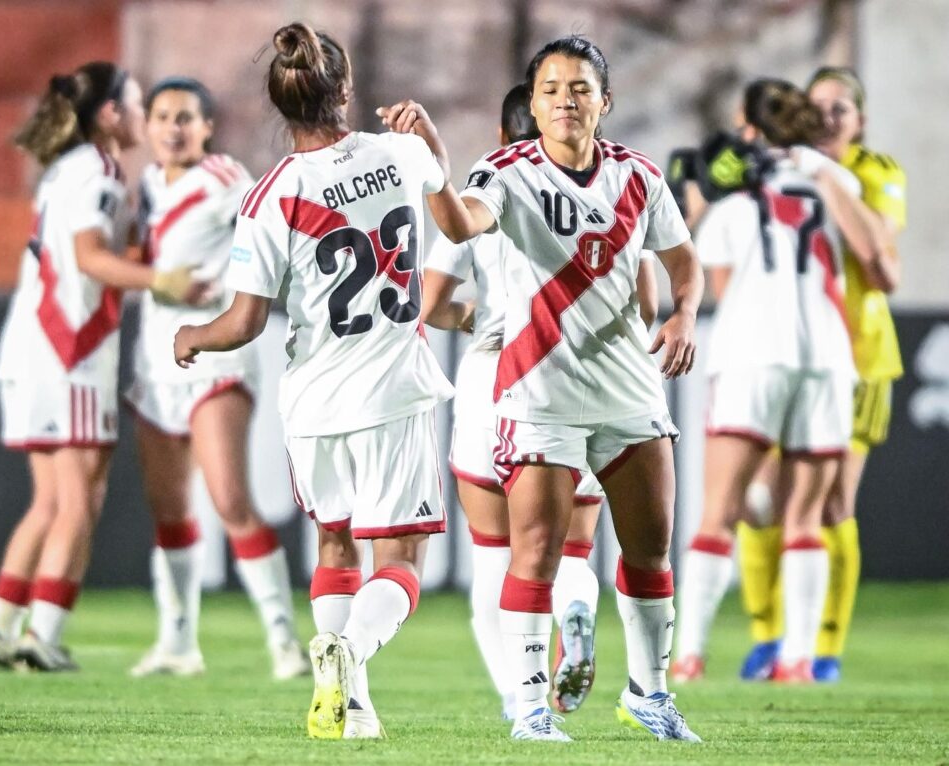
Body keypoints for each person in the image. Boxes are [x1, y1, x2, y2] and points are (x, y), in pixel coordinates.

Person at [380, 35, 703, 742]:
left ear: (604, 102)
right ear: (533, 102)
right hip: (537, 390)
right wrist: (436, 160)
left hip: (628, 390)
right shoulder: (505, 172)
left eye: (580, 87)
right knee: (536, 554)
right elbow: (462, 223)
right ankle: (529, 710)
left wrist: (685, 313)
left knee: (651, 551)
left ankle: (650, 693)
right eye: (551, 88)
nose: (565, 98)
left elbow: (682, 262)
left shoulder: (640, 178)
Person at [172, 23, 465, 739]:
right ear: (346, 90)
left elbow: (242, 322)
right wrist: (436, 148)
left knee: (335, 543)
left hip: (313, 402)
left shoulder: (270, 196)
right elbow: (458, 224)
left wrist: (192, 335)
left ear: (280, 103)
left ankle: (350, 707)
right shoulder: (401, 153)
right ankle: (350, 649)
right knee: (399, 561)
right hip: (393, 392)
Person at [423, 82, 661, 720]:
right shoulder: (609, 193)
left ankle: (519, 699)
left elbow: (427, 305)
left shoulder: (487, 187)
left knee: (496, 553)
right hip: (581, 377)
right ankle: (576, 605)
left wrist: (477, 315)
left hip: (491, 378)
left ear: (503, 141)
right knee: (571, 547)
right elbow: (647, 305)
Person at [0, 62, 204, 671]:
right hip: (67, 351)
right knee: (79, 500)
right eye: (132, 103)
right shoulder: (98, 172)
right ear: (109, 115)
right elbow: (89, 257)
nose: (137, 114)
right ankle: (41, 636)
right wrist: (161, 277)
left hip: (31, 347)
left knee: (48, 502)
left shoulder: (64, 171)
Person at [671, 78, 890, 684]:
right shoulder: (834, 178)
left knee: (718, 512)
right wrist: (820, 171)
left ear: (749, 127)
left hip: (752, 351)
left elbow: (716, 283)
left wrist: (699, 202)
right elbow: (876, 255)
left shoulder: (738, 192)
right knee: (806, 516)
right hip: (825, 356)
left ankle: (689, 655)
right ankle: (797, 658)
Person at [125, 77, 309, 680]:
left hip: (215, 357)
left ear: (207, 127)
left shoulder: (226, 178)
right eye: (161, 116)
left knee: (230, 499)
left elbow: (280, 225)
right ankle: (177, 643)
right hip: (156, 360)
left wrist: (251, 285)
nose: (172, 128)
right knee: (171, 508)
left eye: (186, 117)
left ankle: (285, 644)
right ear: (147, 126)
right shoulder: (151, 184)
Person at [736, 67, 905, 683]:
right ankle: (767, 638)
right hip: (784, 355)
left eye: (842, 109)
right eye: (819, 107)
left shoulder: (873, 172)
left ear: (860, 121)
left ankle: (824, 649)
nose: (829, 117)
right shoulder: (774, 169)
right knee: (760, 504)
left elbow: (881, 254)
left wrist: (827, 184)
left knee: (832, 507)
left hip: (857, 360)